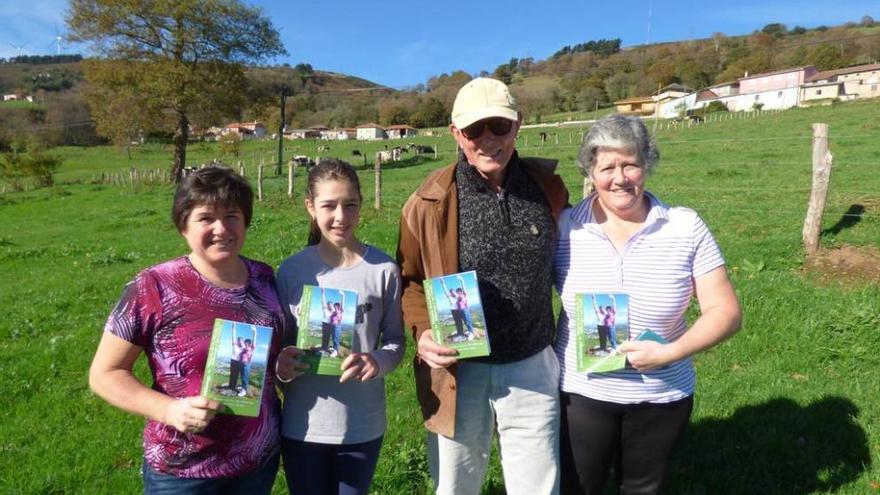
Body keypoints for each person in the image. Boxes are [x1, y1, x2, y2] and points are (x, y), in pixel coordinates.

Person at [397, 77, 569, 495]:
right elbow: (410, 281)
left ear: (518, 125)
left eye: (499, 126)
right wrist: (422, 335)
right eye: (474, 130)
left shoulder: (549, 188)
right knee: (456, 485)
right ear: (456, 134)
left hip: (532, 363)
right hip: (461, 370)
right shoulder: (427, 202)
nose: (487, 139)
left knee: (538, 487)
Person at [554, 114, 742, 495]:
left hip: (662, 393)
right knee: (577, 487)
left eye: (631, 164)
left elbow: (726, 312)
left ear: (647, 166)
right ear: (590, 171)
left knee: (644, 488)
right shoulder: (565, 227)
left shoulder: (684, 227)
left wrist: (669, 352)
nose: (620, 177)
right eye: (607, 166)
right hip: (581, 394)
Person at [89, 166, 283, 494]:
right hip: (184, 469)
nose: (221, 228)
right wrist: (169, 410)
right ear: (183, 226)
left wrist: (284, 364)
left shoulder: (264, 278)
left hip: (256, 462)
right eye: (206, 218)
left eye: (232, 215)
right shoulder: (154, 286)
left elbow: (271, 358)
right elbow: (104, 374)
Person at [275, 159, 405, 495]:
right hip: (303, 426)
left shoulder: (383, 270)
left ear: (361, 205)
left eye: (350, 205)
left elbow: (395, 342)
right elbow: (278, 350)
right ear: (310, 207)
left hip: (362, 425)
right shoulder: (292, 271)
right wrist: (283, 366)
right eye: (329, 205)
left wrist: (376, 361)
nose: (340, 217)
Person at [440, 277, 466, 341]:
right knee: (457, 322)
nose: (452, 292)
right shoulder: (449, 297)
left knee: (460, 322)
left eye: (453, 291)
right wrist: (443, 283)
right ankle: (460, 333)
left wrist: (461, 280)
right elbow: (445, 290)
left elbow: (462, 294)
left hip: (459, 310)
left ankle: (461, 333)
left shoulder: (457, 297)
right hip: (454, 311)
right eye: (451, 291)